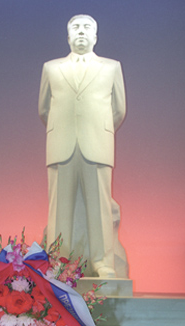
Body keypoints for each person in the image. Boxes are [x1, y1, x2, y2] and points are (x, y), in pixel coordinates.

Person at [39, 14, 126, 278]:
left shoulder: (112, 67)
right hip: (61, 145)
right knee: (59, 209)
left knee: (99, 206)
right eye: (75, 28)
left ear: (96, 36)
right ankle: (58, 262)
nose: (81, 32)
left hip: (97, 145)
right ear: (67, 36)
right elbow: (44, 109)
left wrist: (96, 129)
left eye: (87, 28)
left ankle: (103, 262)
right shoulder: (51, 68)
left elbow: (119, 110)